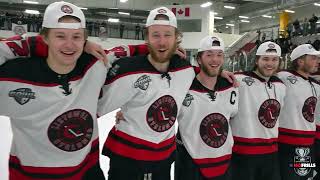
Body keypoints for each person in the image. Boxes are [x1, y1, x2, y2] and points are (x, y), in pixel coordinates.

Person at [0, 1, 106, 179]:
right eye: (60, 36)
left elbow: (155, 54)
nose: (69, 45)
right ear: (44, 38)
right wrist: (33, 44)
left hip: (87, 172)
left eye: (77, 37)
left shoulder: (96, 66)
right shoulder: (12, 75)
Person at [97, 7, 195, 180]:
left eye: (167, 35)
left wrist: (222, 75)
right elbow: (91, 106)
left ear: (176, 38)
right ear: (147, 38)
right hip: (127, 161)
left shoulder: (186, 70)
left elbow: (209, 78)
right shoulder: (127, 70)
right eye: (155, 35)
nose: (162, 42)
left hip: (163, 160)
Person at [175, 35, 238, 180]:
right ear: (199, 59)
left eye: (219, 55)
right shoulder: (183, 84)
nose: (215, 59)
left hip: (223, 163)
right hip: (189, 163)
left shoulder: (231, 86)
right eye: (209, 55)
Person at [230, 42, 286, 180]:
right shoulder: (239, 80)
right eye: (265, 59)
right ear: (256, 60)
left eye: (274, 60)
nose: (270, 64)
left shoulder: (280, 85)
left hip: (271, 154)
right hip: (242, 154)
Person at [278, 44, 320, 180]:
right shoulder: (283, 77)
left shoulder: (315, 85)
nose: (318, 61)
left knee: (306, 177)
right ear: (300, 61)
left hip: (308, 144)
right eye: (313, 58)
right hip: (287, 144)